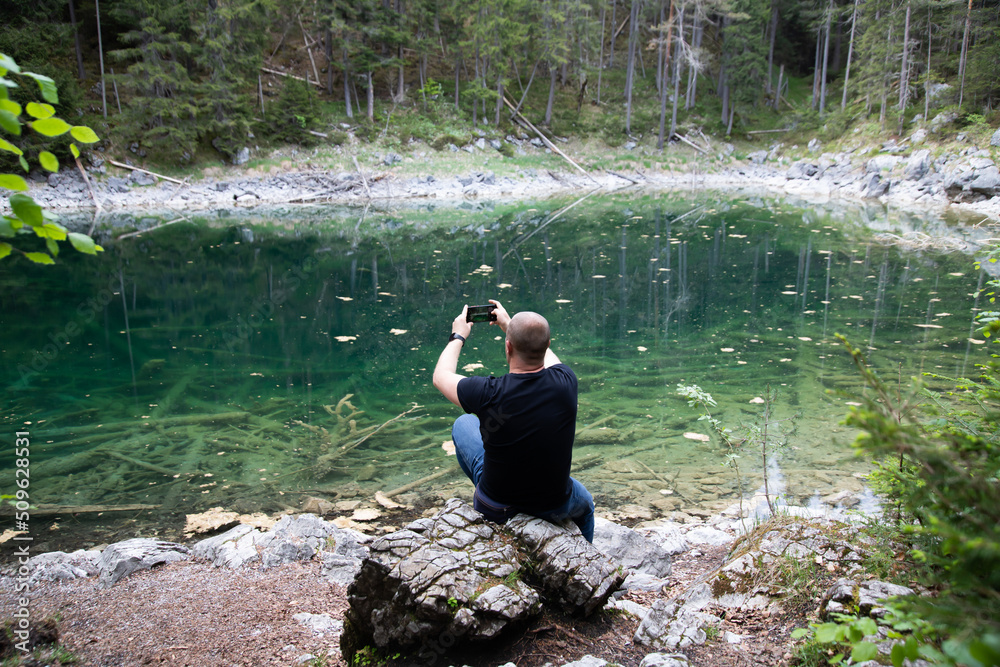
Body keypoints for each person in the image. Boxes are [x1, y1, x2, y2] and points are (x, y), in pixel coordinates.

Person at [432, 299, 595, 542]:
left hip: (498, 507)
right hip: (554, 503)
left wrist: (458, 335)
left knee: (463, 425)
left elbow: (440, 376)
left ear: (507, 348)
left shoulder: (488, 392)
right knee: (587, 506)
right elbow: (546, 354)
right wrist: (509, 324)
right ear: (548, 345)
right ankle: (586, 561)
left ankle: (489, 512)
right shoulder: (566, 381)